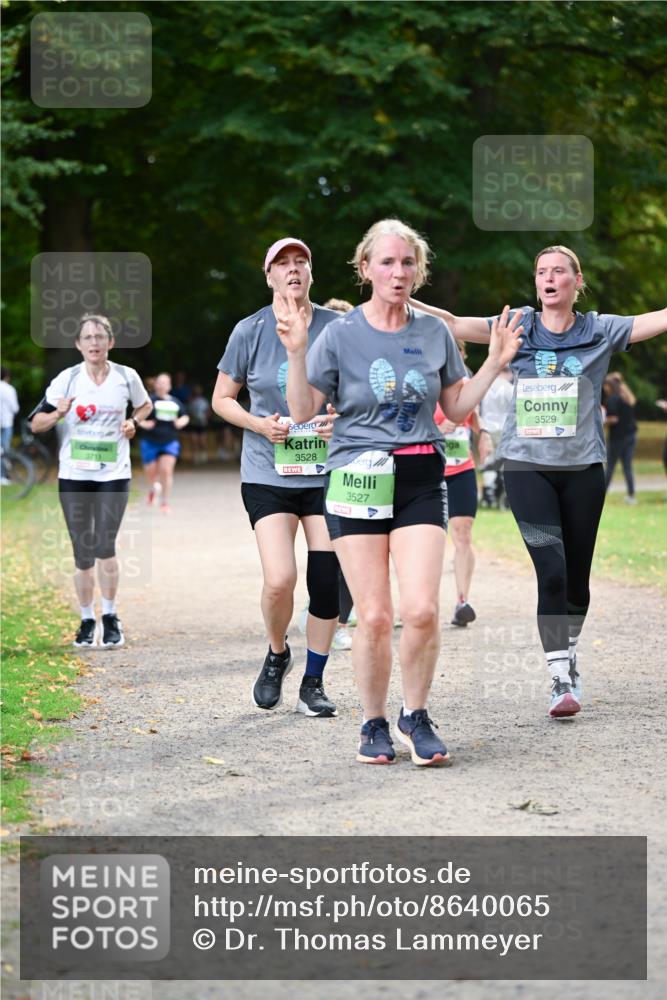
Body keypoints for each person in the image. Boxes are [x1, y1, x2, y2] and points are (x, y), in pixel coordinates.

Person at [280, 218, 522, 765]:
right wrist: (297, 352)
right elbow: (301, 412)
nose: (398, 272)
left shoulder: (434, 333)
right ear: (365, 270)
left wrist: (495, 362)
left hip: (418, 478)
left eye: (407, 262)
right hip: (356, 479)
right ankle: (373, 723)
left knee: (421, 610)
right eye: (386, 262)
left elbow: (457, 408)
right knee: (372, 616)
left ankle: (415, 715)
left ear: (419, 271)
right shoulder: (338, 334)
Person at [411, 245, 667, 719]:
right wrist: (403, 296)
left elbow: (657, 319)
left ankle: (568, 652)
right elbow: (451, 322)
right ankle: (558, 678)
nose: (548, 279)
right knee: (550, 570)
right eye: (541, 272)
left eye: (558, 272)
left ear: (576, 281)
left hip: (584, 470)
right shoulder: (518, 326)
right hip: (527, 467)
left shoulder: (600, 329)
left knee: (577, 581)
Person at [212, 237, 341, 718]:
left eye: (300, 262)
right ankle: (277, 654)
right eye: (282, 264)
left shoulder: (337, 325)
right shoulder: (249, 330)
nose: (292, 270)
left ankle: (314, 680)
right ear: (268, 276)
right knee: (280, 580)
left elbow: (356, 393)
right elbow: (222, 398)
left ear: (311, 273)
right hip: (268, 469)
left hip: (327, 471)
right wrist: (258, 423)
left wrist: (339, 418)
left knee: (326, 580)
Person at [30, 313, 151, 648]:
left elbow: (145, 405)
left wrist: (133, 422)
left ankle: (110, 616)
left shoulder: (127, 376)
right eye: (88, 338)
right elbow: (35, 424)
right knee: (83, 551)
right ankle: (86, 619)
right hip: (74, 475)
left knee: (104, 545)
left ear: (110, 342)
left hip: (114, 473)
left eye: (100, 337)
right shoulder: (66, 380)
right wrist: (58, 413)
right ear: (78, 345)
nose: (94, 343)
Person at [435, 340, 480, 627]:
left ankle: (462, 600)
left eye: (459, 352)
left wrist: (483, 432)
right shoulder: (424, 381)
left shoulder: (468, 385)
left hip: (462, 467)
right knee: (427, 542)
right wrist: (437, 429)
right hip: (429, 470)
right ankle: (417, 605)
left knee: (463, 533)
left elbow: (476, 419)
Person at [137, 372, 190, 513]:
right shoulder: (149, 401)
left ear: (169, 386)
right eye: (159, 382)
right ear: (155, 385)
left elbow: (185, 416)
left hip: (169, 441)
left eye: (164, 382)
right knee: (151, 472)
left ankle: (165, 502)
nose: (161, 385)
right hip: (150, 441)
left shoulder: (175, 401)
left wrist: (180, 422)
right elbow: (137, 417)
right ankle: (154, 487)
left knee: (166, 471)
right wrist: (144, 424)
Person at [603, 371, 638, 503]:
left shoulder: (612, 399)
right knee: (627, 467)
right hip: (631, 436)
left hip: (617, 438)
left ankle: (602, 494)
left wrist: (603, 421)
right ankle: (631, 495)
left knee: (610, 467)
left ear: (609, 386)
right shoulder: (626, 397)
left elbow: (614, 419)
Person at [1, 366, 20, 485]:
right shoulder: (10, 389)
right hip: (7, 423)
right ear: (7, 376)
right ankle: (2, 476)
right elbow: (15, 408)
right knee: (5, 450)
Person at [188, 384, 211, 465]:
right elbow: (189, 412)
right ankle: (195, 457)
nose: (197, 391)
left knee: (202, 441)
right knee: (194, 441)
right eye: (196, 390)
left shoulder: (204, 400)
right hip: (193, 424)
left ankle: (204, 456)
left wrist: (206, 419)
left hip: (202, 423)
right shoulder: (191, 400)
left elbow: (208, 411)